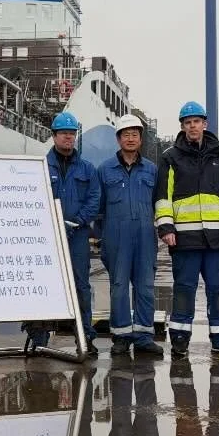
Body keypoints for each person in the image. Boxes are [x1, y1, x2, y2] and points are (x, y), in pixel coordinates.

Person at [154, 101, 219, 359]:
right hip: (184, 238)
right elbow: (163, 196)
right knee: (184, 288)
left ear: (205, 124)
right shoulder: (170, 157)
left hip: (217, 238)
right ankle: (179, 338)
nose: (192, 126)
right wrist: (166, 226)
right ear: (182, 126)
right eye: (187, 122)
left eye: (196, 121)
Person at [97, 114, 161, 358]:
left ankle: (144, 336)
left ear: (141, 139)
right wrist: (100, 236)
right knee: (119, 287)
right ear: (118, 139)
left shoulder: (152, 170)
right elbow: (99, 206)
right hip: (116, 236)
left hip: (145, 235)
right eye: (126, 134)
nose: (131, 138)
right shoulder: (104, 170)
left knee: (145, 287)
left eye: (135, 134)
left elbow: (159, 202)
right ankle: (121, 337)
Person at [47, 111, 102, 359]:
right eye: (63, 133)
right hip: (48, 235)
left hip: (77, 235)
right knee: (46, 286)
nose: (68, 137)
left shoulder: (87, 169)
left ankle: (86, 337)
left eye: (71, 133)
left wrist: (77, 222)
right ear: (54, 136)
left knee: (81, 286)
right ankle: (39, 336)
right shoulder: (40, 167)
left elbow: (94, 199)